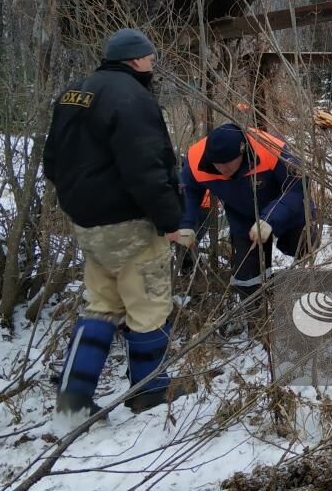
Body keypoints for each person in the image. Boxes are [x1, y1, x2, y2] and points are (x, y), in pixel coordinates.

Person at [43, 28, 194, 419]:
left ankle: (72, 400)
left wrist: (82, 202)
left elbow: (51, 161)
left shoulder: (73, 93)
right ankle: (151, 392)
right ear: (134, 60)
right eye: (150, 58)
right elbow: (146, 166)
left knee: (101, 306)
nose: (153, 63)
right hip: (131, 223)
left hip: (89, 224)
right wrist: (170, 221)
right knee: (148, 305)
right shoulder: (132, 98)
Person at [177, 123, 314, 318]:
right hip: (243, 219)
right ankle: (257, 318)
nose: (224, 169)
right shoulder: (196, 158)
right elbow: (188, 192)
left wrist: (270, 218)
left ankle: (307, 290)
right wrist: (186, 224)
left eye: (229, 163)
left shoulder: (268, 148)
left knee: (302, 242)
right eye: (218, 165)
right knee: (247, 276)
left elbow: (298, 186)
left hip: (283, 209)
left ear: (242, 151)